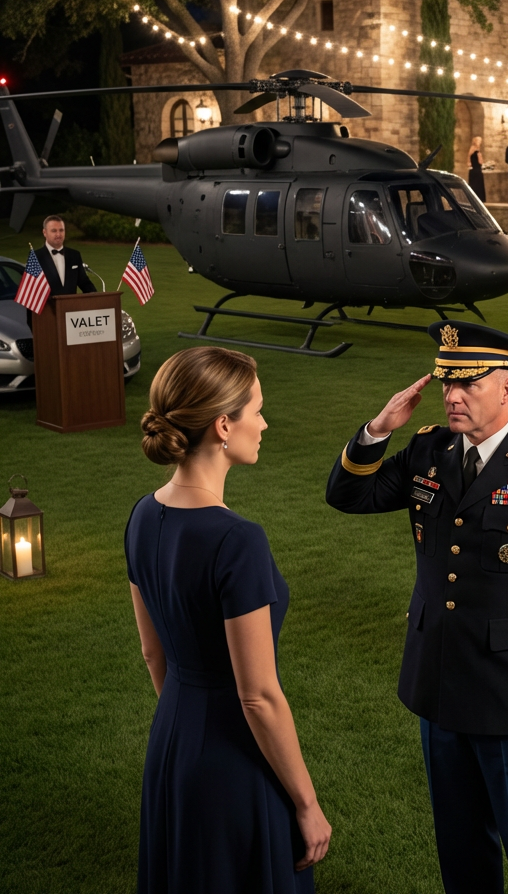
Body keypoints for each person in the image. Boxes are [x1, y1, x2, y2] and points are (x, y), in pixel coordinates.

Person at [325, 323, 508, 894]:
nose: (452, 396)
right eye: (447, 383)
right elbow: (349, 495)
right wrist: (379, 429)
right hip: (439, 683)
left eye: (468, 384)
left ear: (507, 388)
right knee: (459, 845)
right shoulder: (428, 449)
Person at [126, 347, 331, 892]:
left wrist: (187, 721)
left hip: (171, 742)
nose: (264, 423)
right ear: (223, 425)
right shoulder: (237, 541)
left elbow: (154, 654)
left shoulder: (142, 515)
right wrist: (307, 805)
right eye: (257, 410)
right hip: (234, 762)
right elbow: (257, 695)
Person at [36, 213, 97, 297]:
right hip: (48, 309)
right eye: (54, 231)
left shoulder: (74, 255)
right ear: (44, 232)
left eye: (61, 230)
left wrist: (97, 297)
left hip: (71, 308)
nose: (58, 234)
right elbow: (32, 291)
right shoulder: (36, 257)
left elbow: (84, 282)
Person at [467, 136, 486, 202]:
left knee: (473, 184)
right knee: (478, 185)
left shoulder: (471, 149)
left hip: (472, 170)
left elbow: (469, 160)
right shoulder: (478, 152)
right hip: (477, 170)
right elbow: (480, 161)